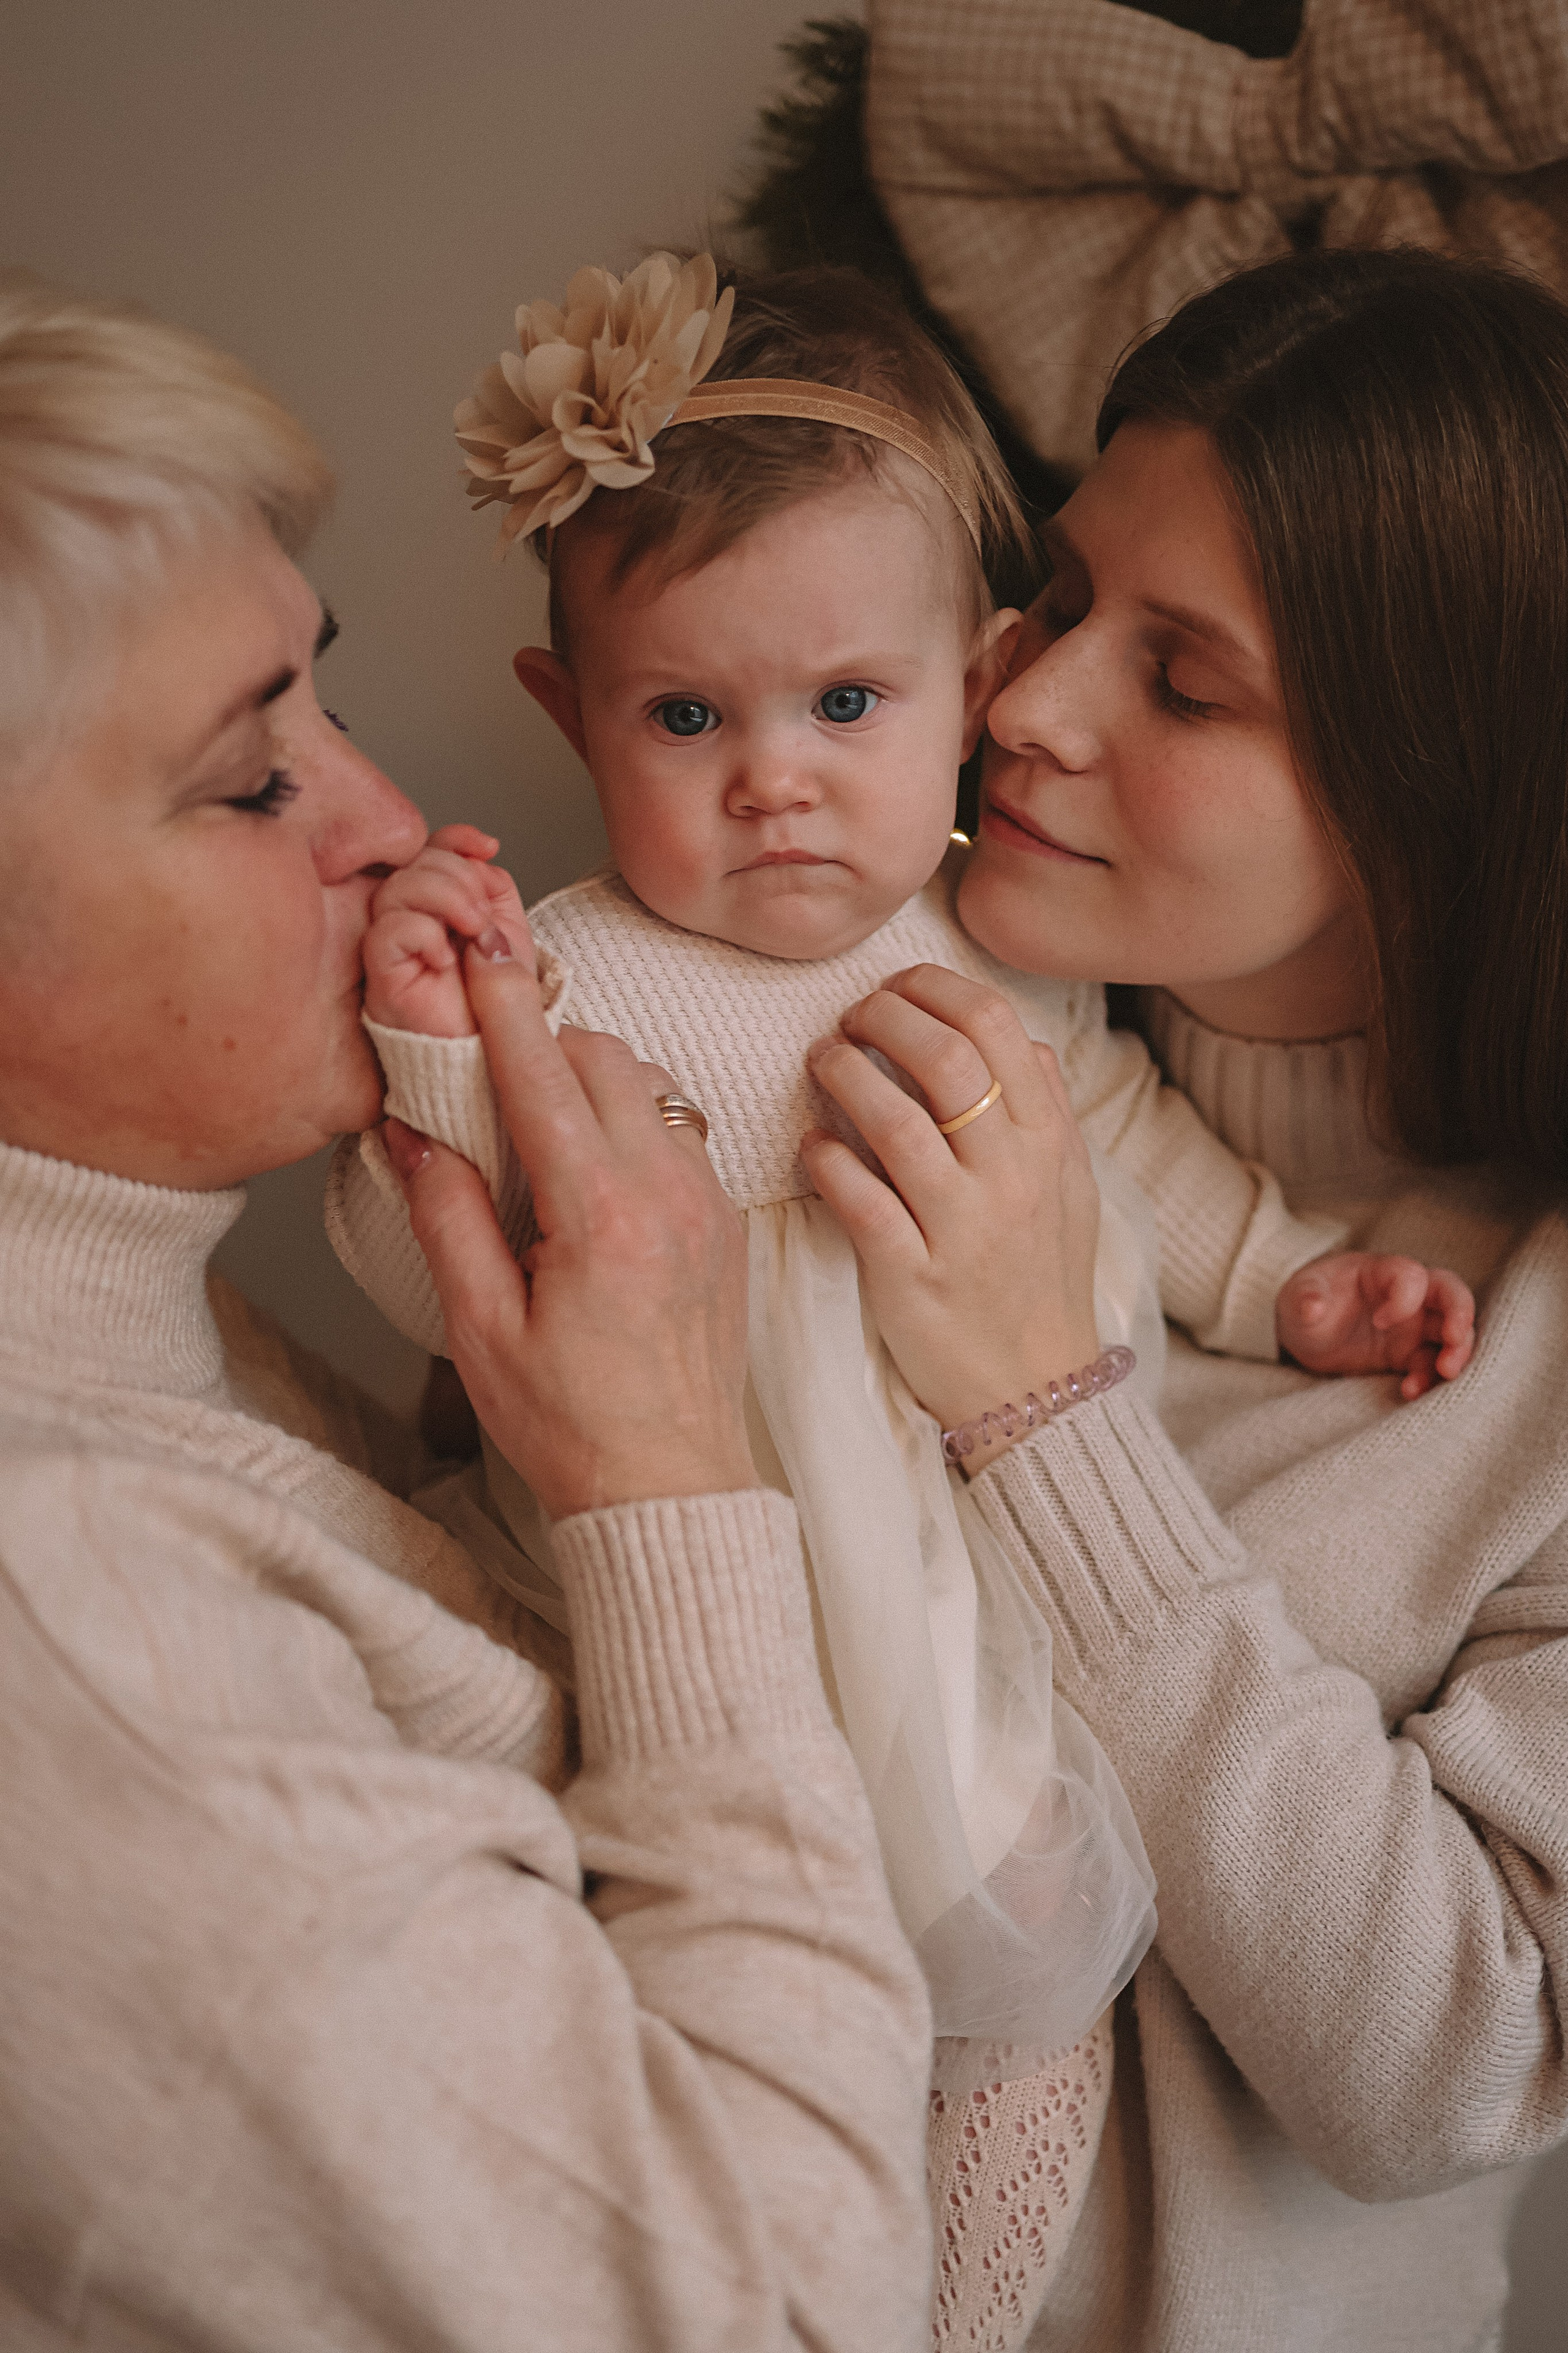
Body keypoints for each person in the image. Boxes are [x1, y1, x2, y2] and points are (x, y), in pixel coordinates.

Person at [327, 254, 1474, 2345]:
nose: (1026, 708)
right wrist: (433, 1066)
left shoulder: (1015, 985)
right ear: (574, 710)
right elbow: (452, 1294)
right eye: (692, 716)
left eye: (1184, 680)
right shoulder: (591, 972)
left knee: (1001, 1970)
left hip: (957, 1711)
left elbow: (1124, 1149)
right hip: (702, 1705)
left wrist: (1257, 1307)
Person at [0, 273, 937, 2352]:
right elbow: (789, 2316)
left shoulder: (133, 1306)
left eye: (317, 701)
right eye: (254, 784)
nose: (388, 824)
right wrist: (669, 1473)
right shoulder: (70, 1647)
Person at [801, 246, 1568, 2350]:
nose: (1023, 700)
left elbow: (1454, 2067)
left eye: (1188, 680)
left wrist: (1051, 1418)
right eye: (1060, 598)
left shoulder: (1544, 1366)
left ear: (1441, 784)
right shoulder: (864, 1024)